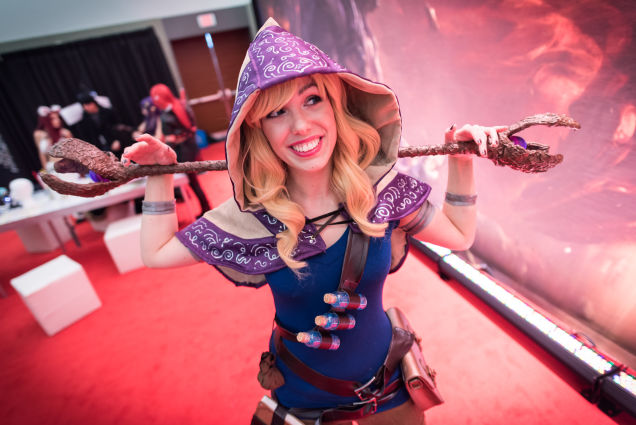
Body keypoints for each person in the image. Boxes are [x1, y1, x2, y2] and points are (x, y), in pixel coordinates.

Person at [122, 19, 504, 424]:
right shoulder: (252, 218)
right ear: (258, 128)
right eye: (277, 112)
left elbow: (460, 234)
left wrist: (461, 161)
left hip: (388, 390)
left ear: (336, 106)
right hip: (301, 402)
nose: (301, 126)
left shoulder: (380, 191)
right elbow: (156, 253)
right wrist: (159, 175)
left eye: (312, 100)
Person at [148, 83, 211, 214]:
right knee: (193, 181)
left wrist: (163, 156)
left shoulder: (166, 116)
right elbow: (193, 127)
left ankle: (206, 207)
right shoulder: (181, 105)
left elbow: (170, 141)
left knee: (191, 182)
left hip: (183, 152)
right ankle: (206, 206)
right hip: (192, 146)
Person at [33, 105, 72, 170]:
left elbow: (74, 151)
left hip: (67, 166)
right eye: (53, 119)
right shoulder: (40, 134)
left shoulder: (65, 133)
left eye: (58, 118)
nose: (58, 120)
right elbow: (42, 155)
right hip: (52, 167)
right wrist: (46, 171)